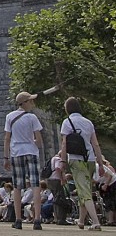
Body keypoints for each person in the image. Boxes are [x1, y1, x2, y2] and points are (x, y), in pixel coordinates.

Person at [60, 96, 106, 230]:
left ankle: (96, 222)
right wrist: (101, 164)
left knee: (84, 191)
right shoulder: (88, 122)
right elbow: (95, 144)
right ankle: (81, 220)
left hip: (76, 159)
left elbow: (64, 144)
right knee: (84, 189)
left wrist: (63, 161)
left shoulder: (67, 122)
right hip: (90, 158)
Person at [4, 91, 44, 230]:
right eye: (31, 101)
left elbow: (7, 138)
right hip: (31, 151)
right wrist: (33, 142)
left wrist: (6, 157)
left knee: (17, 186)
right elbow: (39, 140)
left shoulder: (9, 117)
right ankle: (37, 219)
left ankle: (18, 220)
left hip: (16, 152)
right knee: (36, 185)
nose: (33, 103)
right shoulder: (32, 118)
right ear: (25, 103)